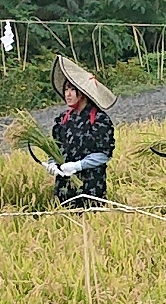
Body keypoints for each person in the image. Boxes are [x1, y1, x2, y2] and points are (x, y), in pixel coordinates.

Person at [44, 55, 116, 208]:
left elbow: (104, 155)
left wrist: (78, 165)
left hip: (91, 187)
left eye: (72, 90)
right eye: (66, 90)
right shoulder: (63, 119)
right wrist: (52, 163)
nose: (67, 94)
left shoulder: (99, 120)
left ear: (82, 93)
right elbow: (55, 148)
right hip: (64, 188)